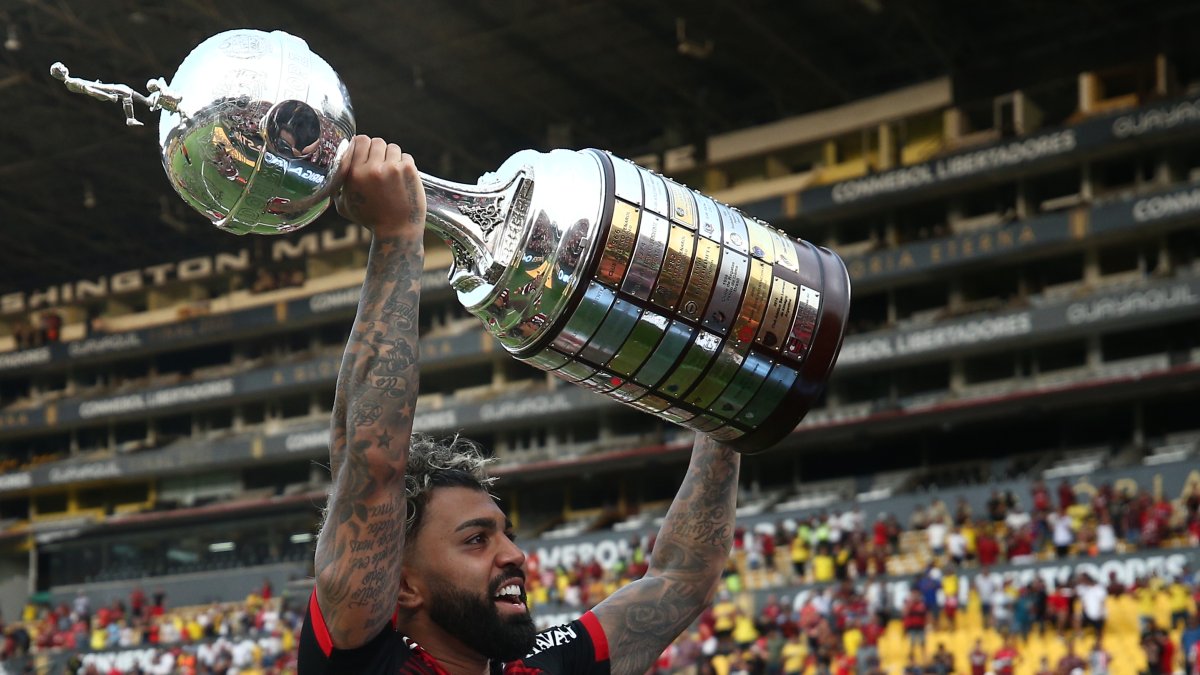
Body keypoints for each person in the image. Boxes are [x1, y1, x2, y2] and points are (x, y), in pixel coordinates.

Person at [298, 136, 744, 675]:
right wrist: (397, 238)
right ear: (402, 584)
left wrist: (721, 412)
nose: (514, 555)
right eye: (476, 540)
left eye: (504, 533)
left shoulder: (540, 666)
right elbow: (369, 462)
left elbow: (682, 578)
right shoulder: (364, 662)